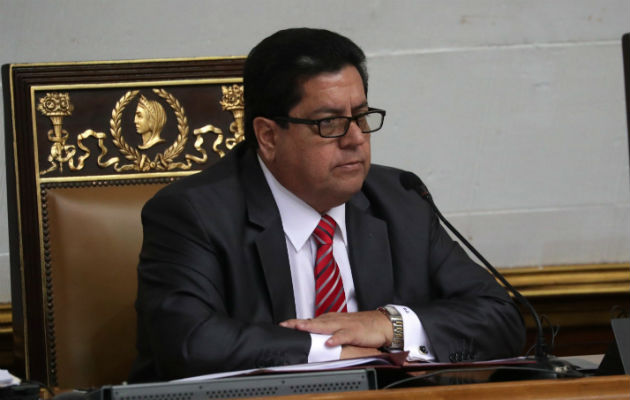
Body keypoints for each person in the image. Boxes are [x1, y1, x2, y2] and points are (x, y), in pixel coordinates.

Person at [129, 28, 525, 383]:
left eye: (361, 116)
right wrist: (331, 352)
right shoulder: (193, 213)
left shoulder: (400, 199)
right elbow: (187, 343)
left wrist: (389, 325)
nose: (355, 138)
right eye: (329, 123)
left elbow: (500, 319)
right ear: (268, 135)